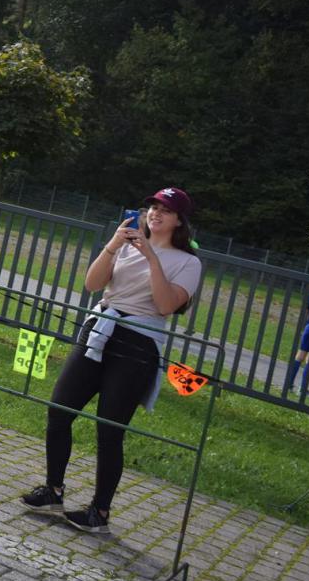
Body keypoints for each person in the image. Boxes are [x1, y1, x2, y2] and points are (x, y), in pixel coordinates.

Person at [21, 187, 203, 534]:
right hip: (101, 326)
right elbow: (92, 284)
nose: (156, 213)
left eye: (166, 210)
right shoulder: (125, 245)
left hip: (138, 343)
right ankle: (53, 490)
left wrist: (151, 257)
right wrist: (113, 245)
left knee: (109, 429)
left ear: (180, 221)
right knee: (59, 409)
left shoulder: (188, 262)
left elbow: (166, 305)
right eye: (153, 207)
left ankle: (99, 512)